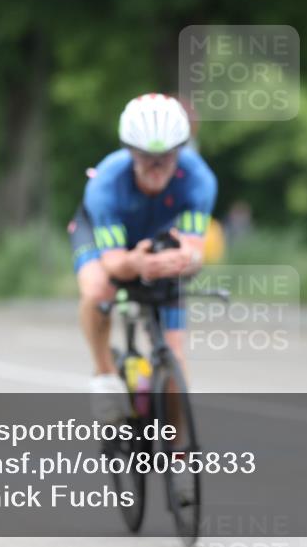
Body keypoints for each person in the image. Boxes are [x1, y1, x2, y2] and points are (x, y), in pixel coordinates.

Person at [68, 93, 217, 423]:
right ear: (130, 151)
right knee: (97, 290)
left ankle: (176, 451)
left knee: (174, 353)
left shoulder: (199, 181)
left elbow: (195, 251)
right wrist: (136, 264)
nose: (156, 166)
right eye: (146, 156)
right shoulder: (106, 183)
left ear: (181, 150)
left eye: (166, 156)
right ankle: (105, 375)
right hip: (103, 238)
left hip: (156, 241)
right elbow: (113, 263)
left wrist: (183, 260)